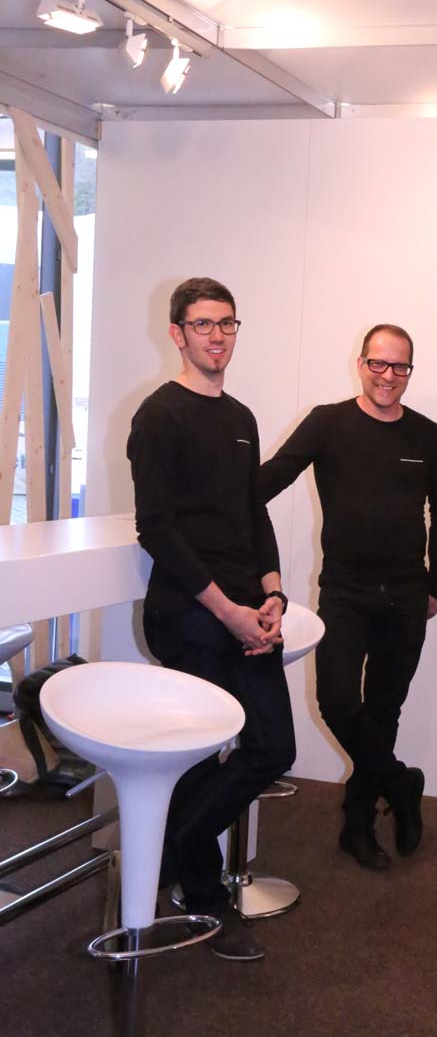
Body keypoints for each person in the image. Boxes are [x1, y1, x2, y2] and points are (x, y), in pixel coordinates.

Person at [127, 277, 296, 960]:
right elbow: (157, 530)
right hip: (190, 614)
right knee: (206, 756)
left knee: (271, 749)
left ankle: (169, 851)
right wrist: (228, 612)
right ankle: (202, 896)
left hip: (246, 610)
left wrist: (274, 592)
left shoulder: (241, 417)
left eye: (227, 323)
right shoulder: (159, 417)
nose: (217, 336)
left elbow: (251, 512)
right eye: (203, 324)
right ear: (178, 334)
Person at [260, 325, 437, 870]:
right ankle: (401, 782)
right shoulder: (328, 422)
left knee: (384, 710)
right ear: (361, 363)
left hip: (407, 596)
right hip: (345, 591)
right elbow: (270, 479)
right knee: (338, 701)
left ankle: (357, 824)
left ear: (410, 371)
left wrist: (436, 585)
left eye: (400, 367)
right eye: (378, 364)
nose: (388, 376)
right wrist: (209, 501)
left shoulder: (427, 435)